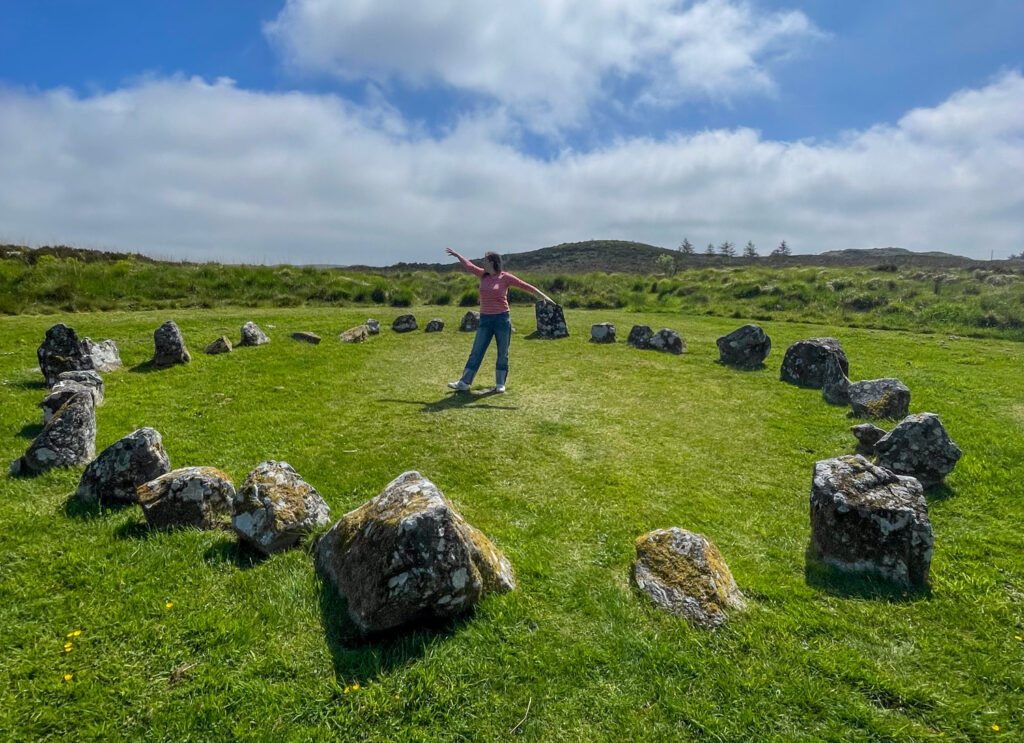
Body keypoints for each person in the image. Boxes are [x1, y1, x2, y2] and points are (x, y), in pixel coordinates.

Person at [445, 248, 554, 393]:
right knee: (476, 351)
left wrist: (545, 298)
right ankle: (464, 383)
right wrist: (458, 255)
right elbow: (469, 266)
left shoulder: (505, 277)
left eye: (485, 261)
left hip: (502, 319)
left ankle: (500, 383)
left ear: (493, 263)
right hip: (485, 320)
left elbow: (526, 286)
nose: (483, 263)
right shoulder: (482, 275)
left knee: (503, 352)